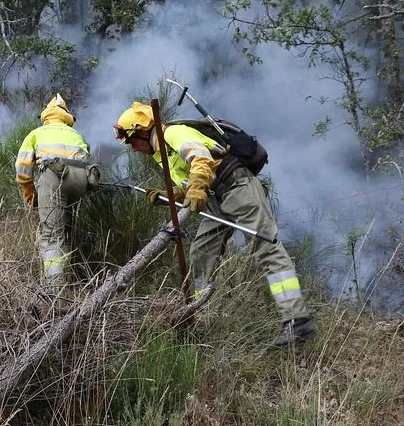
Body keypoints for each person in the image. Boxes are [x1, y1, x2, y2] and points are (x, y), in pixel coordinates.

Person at [113, 101, 317, 348]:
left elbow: (200, 158)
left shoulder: (172, 133)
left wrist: (197, 186)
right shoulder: (162, 152)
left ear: (143, 130)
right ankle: (203, 318)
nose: (133, 149)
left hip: (236, 185)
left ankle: (297, 320)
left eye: (131, 141)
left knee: (265, 247)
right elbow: (192, 183)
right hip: (215, 198)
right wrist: (173, 194)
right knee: (201, 252)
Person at [15, 94, 97, 299]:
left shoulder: (37, 133)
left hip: (54, 175)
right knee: (66, 231)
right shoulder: (75, 134)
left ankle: (54, 291)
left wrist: (29, 192)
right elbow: (86, 157)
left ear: (46, 116)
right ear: (66, 116)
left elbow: (22, 166)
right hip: (81, 180)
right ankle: (66, 278)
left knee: (52, 234)